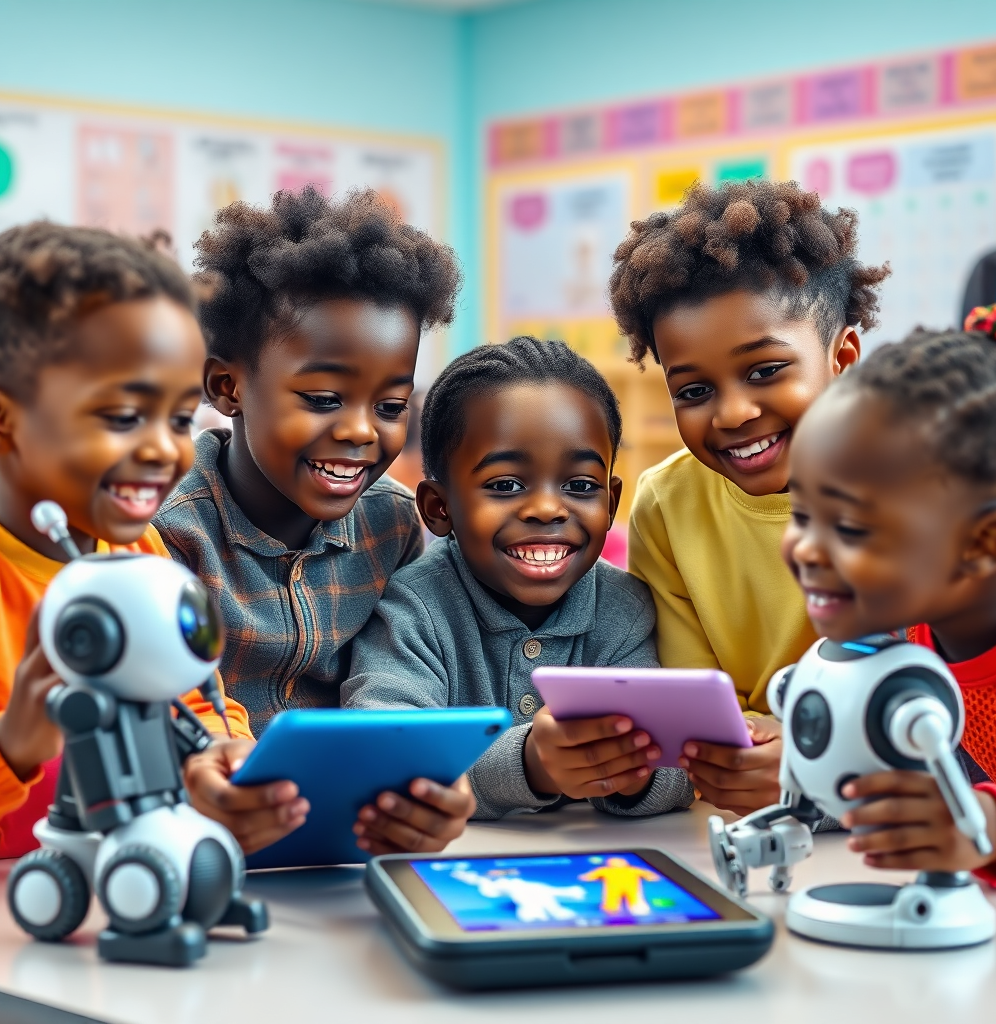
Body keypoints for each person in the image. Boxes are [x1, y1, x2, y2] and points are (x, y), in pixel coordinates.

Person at [155, 187, 474, 856]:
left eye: (390, 406)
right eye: (325, 398)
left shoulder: (395, 526)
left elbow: (406, 688)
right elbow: (159, 715)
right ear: (227, 388)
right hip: (196, 844)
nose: (361, 432)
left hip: (347, 852)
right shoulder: (167, 528)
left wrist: (432, 791)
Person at [0, 222, 293, 859]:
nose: (163, 448)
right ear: (3, 419)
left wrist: (219, 759)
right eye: (125, 416)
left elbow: (197, 697)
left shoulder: (140, 558)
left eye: (181, 418)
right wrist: (11, 746)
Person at [608, 179, 890, 815]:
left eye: (765, 371)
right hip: (739, 816)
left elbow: (931, 696)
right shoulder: (667, 504)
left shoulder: (922, 488)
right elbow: (695, 698)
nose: (733, 413)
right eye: (693, 390)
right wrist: (737, 744)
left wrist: (813, 757)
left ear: (843, 356)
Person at [342, 337, 694, 827]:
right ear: (439, 509)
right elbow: (378, 751)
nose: (548, 509)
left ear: (612, 503)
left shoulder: (625, 609)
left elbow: (682, 762)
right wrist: (529, 764)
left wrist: (634, 771)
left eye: (580, 486)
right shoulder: (414, 608)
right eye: (506, 485)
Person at [781, 308, 996, 886]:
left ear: (983, 545)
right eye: (803, 514)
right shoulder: (910, 632)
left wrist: (993, 822)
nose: (807, 549)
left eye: (852, 528)